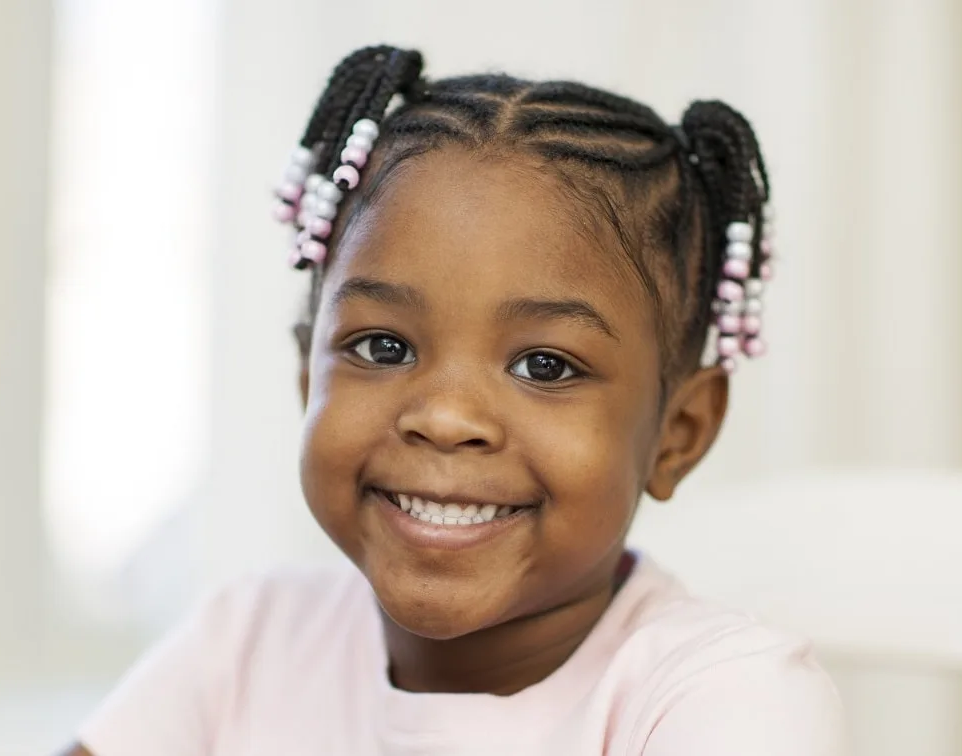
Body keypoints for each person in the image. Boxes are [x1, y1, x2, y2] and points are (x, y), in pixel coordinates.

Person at [66, 45, 848, 755]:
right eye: (383, 347)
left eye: (545, 365)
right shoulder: (245, 645)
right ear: (309, 376)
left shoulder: (725, 701)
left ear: (678, 434)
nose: (443, 418)